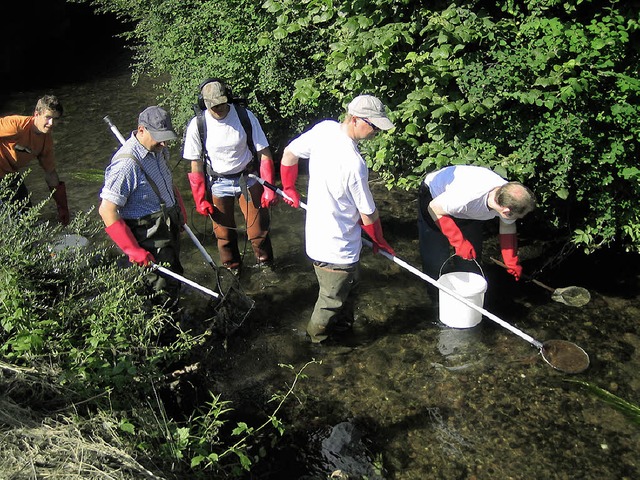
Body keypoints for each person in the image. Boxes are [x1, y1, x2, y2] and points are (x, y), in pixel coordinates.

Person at [280, 94, 396, 343]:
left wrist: (289, 187)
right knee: (330, 302)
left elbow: (289, 154)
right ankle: (314, 343)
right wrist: (380, 240)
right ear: (355, 119)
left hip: (320, 238)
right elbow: (368, 214)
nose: (375, 131)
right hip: (337, 249)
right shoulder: (354, 164)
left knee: (347, 294)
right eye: (373, 126)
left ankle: (344, 335)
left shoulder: (324, 130)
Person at [183, 79, 277, 273]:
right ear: (204, 104)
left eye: (221, 103)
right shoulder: (198, 124)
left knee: (257, 232)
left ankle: (266, 266)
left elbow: (264, 153)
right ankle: (232, 269)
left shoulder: (245, 117)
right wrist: (200, 199)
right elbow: (196, 164)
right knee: (224, 235)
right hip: (218, 183)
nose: (218, 108)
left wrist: (268, 187)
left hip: (249, 178)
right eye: (213, 106)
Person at [98, 106, 187, 305]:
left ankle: (176, 312)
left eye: (166, 137)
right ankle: (165, 332)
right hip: (148, 235)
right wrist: (133, 251)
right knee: (159, 287)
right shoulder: (126, 165)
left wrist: (179, 209)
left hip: (168, 224)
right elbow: (107, 210)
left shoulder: (160, 150)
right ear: (141, 130)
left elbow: (168, 182)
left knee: (175, 273)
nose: (164, 143)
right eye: (159, 137)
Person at [418, 165, 536, 294]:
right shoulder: (466, 196)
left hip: (468, 212)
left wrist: (510, 260)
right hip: (434, 199)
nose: (518, 218)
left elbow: (507, 225)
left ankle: (467, 297)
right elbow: (434, 208)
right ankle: (436, 298)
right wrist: (459, 241)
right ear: (506, 211)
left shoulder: (507, 196)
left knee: (470, 261)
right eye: (518, 216)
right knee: (436, 261)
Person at [0, 95, 69, 224]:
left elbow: (51, 174)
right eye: (48, 118)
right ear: (36, 114)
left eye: (55, 119)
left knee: (28, 216)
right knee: (9, 221)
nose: (51, 124)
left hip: (10, 175)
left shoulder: (46, 142)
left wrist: (62, 207)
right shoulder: (16, 125)